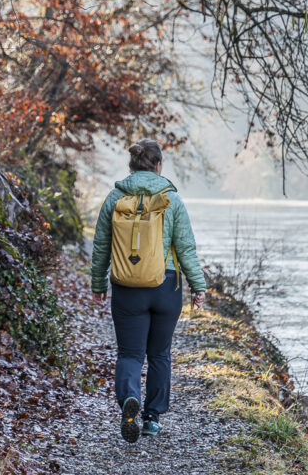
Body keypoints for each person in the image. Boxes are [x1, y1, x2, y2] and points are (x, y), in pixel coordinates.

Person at [90, 138, 206, 442]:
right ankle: (152, 418)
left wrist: (98, 283)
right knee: (159, 354)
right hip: (166, 287)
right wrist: (198, 286)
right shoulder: (172, 201)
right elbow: (186, 248)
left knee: (129, 353)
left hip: (127, 286)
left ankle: (130, 399)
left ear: (131, 166)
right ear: (158, 166)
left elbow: (102, 246)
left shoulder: (115, 198)